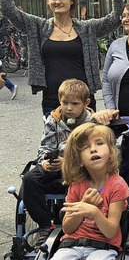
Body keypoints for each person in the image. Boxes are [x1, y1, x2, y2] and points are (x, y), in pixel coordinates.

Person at [0, 0, 123, 115]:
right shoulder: (37, 26)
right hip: (52, 102)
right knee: (54, 140)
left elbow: (116, 18)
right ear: (48, 2)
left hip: (83, 102)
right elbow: (9, 10)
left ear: (71, 0)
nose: (58, 1)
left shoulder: (87, 28)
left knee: (84, 140)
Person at [39, 123, 129, 260]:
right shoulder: (77, 185)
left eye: (99, 143)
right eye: (86, 147)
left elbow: (110, 232)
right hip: (71, 244)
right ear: (80, 161)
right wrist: (83, 203)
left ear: (110, 152)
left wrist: (93, 211)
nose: (93, 149)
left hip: (103, 245)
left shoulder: (117, 185)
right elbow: (67, 227)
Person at [22, 79, 94, 246]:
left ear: (86, 103)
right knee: (29, 180)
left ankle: (77, 222)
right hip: (55, 167)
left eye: (75, 104)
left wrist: (69, 163)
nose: (69, 108)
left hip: (79, 169)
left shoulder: (91, 123)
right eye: (65, 103)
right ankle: (46, 224)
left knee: (86, 179)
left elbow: (92, 153)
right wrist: (44, 162)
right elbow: (45, 146)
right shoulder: (52, 120)